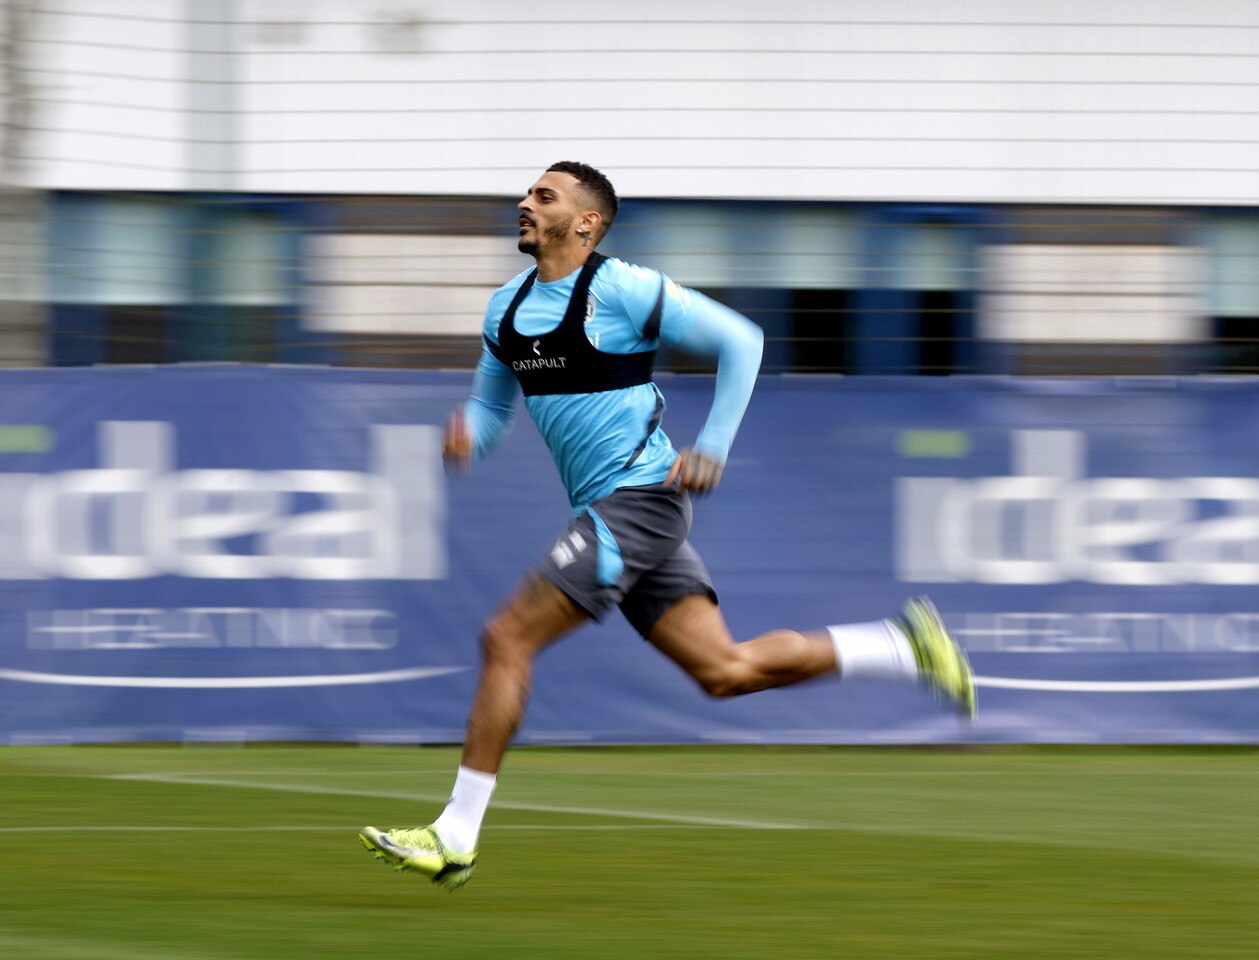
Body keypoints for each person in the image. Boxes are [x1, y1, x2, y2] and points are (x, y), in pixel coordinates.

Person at [359, 161, 975, 890]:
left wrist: (712, 445)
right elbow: (494, 407)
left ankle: (456, 833)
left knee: (506, 637)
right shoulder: (503, 309)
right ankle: (901, 647)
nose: (524, 204)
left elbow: (742, 341)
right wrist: (471, 432)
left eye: (543, 197)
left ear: (586, 223)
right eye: (528, 194)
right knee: (726, 671)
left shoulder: (622, 289)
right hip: (618, 510)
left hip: (639, 501)